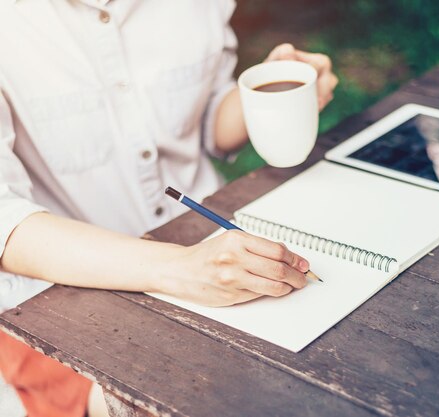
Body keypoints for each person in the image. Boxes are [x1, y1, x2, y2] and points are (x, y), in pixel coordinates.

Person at [0, 1, 338, 416]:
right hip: (57, 297)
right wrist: (183, 269)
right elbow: (5, 224)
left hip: (211, 245)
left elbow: (209, 120)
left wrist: (266, 97)